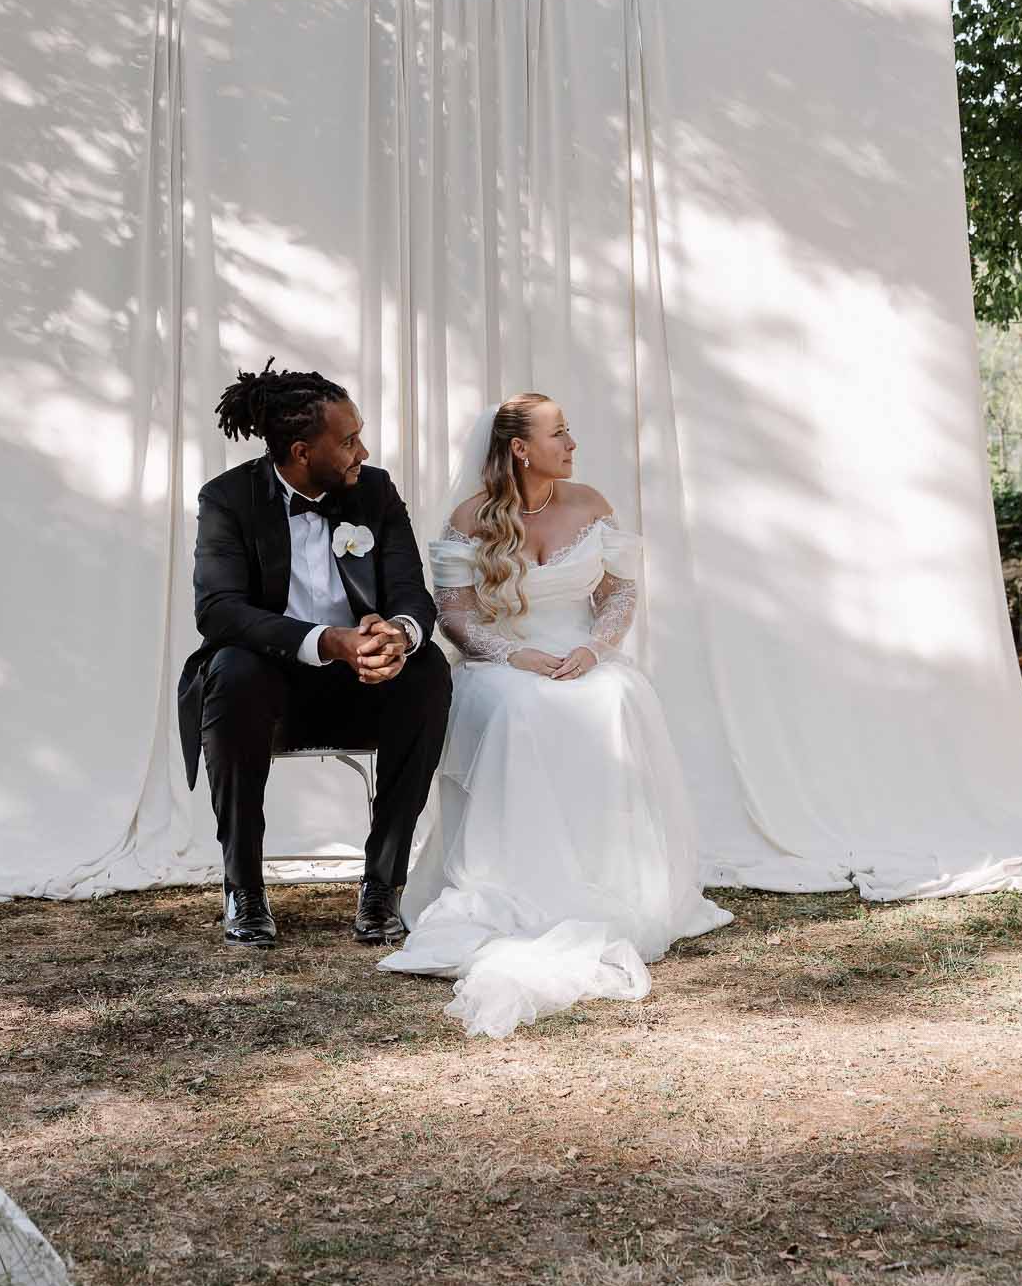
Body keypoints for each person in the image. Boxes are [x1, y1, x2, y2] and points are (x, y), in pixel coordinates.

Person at [378, 392, 732, 1037]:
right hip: (503, 665)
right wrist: (515, 654)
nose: (571, 446)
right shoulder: (470, 517)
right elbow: (453, 613)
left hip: (581, 655)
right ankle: (515, 881)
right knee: (519, 706)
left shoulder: (590, 504)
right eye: (559, 435)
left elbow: (619, 591)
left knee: (619, 696)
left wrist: (594, 648)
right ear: (520, 448)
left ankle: (615, 877)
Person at [176, 360, 452, 950]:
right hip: (267, 695)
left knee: (428, 671)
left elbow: (410, 590)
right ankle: (244, 888)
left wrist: (397, 635)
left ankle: (383, 888)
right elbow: (218, 611)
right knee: (231, 667)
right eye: (348, 440)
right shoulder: (229, 499)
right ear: (302, 451)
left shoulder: (374, 490)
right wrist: (327, 641)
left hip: (363, 688)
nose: (363, 449)